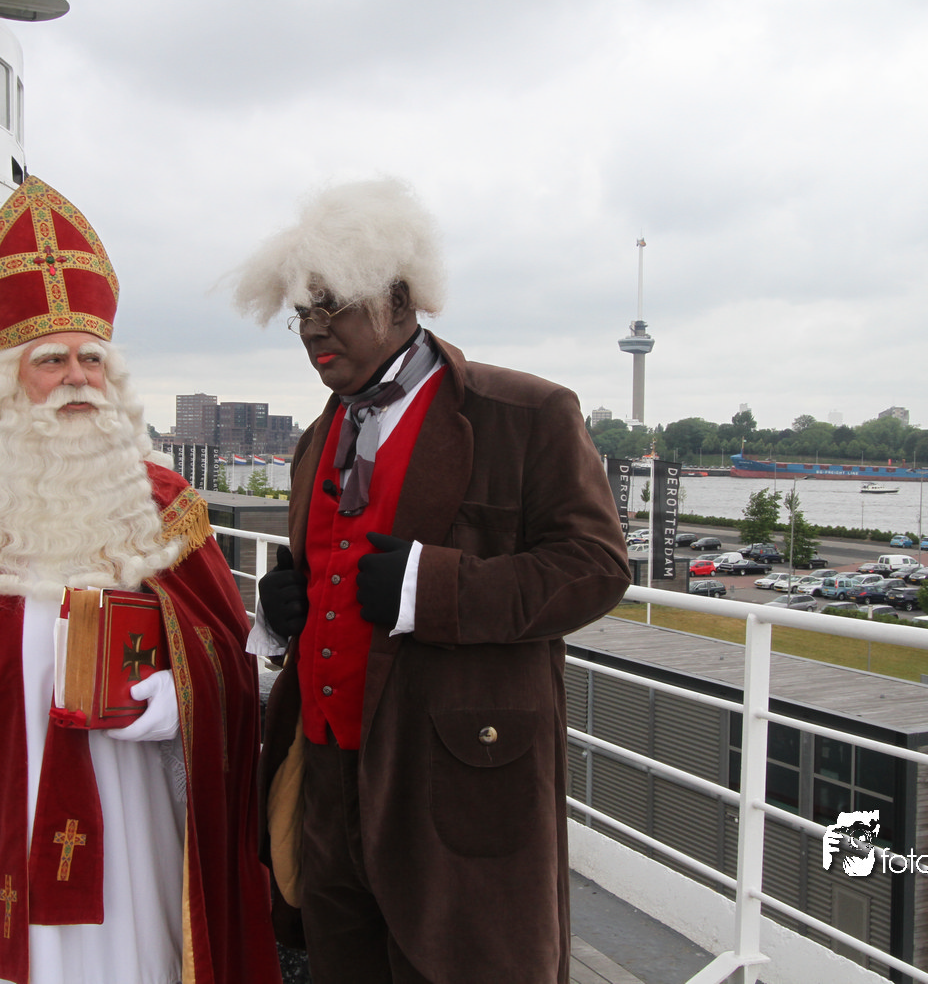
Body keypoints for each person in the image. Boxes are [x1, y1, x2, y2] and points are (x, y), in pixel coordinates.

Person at [0, 177, 280, 984]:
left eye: (90, 358)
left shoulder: (165, 506)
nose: (77, 377)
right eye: (51, 360)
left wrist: (186, 694)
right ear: (9, 379)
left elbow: (227, 653)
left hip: (131, 801)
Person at [234, 179, 631, 984]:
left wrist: (430, 589)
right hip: (327, 781)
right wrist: (281, 611)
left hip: (455, 784)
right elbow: (327, 579)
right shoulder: (317, 437)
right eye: (301, 312)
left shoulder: (523, 413)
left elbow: (595, 567)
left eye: (331, 305)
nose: (313, 329)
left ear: (398, 297)